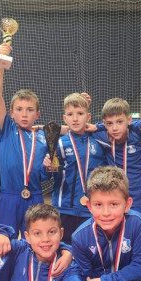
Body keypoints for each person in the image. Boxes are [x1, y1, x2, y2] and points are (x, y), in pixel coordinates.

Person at [0, 44, 48, 236]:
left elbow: (46, 175)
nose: (24, 114)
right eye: (19, 109)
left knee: (34, 242)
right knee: (4, 241)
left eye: (30, 110)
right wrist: (1, 63)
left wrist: (50, 167)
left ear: (37, 114)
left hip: (35, 196)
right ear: (11, 113)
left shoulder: (44, 138)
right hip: (9, 196)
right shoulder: (7, 128)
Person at [44, 93, 107, 241]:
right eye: (70, 114)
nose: (75, 118)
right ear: (64, 119)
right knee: (64, 248)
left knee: (90, 247)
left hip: (92, 209)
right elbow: (48, 175)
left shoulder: (99, 142)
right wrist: (47, 166)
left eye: (80, 113)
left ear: (88, 117)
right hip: (64, 208)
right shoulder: (58, 144)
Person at [91, 98, 141, 223]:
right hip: (114, 199)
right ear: (104, 123)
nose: (114, 128)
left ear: (129, 120)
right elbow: (76, 129)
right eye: (109, 123)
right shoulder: (100, 136)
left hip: (140, 199)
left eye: (119, 122)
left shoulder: (139, 133)